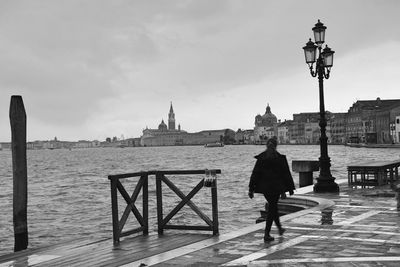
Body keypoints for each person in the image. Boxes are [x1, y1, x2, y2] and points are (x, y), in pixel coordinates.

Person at [248, 136, 295, 242]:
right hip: (276, 188)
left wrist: (251, 189)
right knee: (272, 208)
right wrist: (289, 189)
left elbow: (255, 174)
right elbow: (285, 174)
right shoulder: (279, 158)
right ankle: (267, 234)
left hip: (265, 188)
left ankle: (279, 229)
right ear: (276, 146)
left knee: (273, 207)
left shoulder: (262, 158)